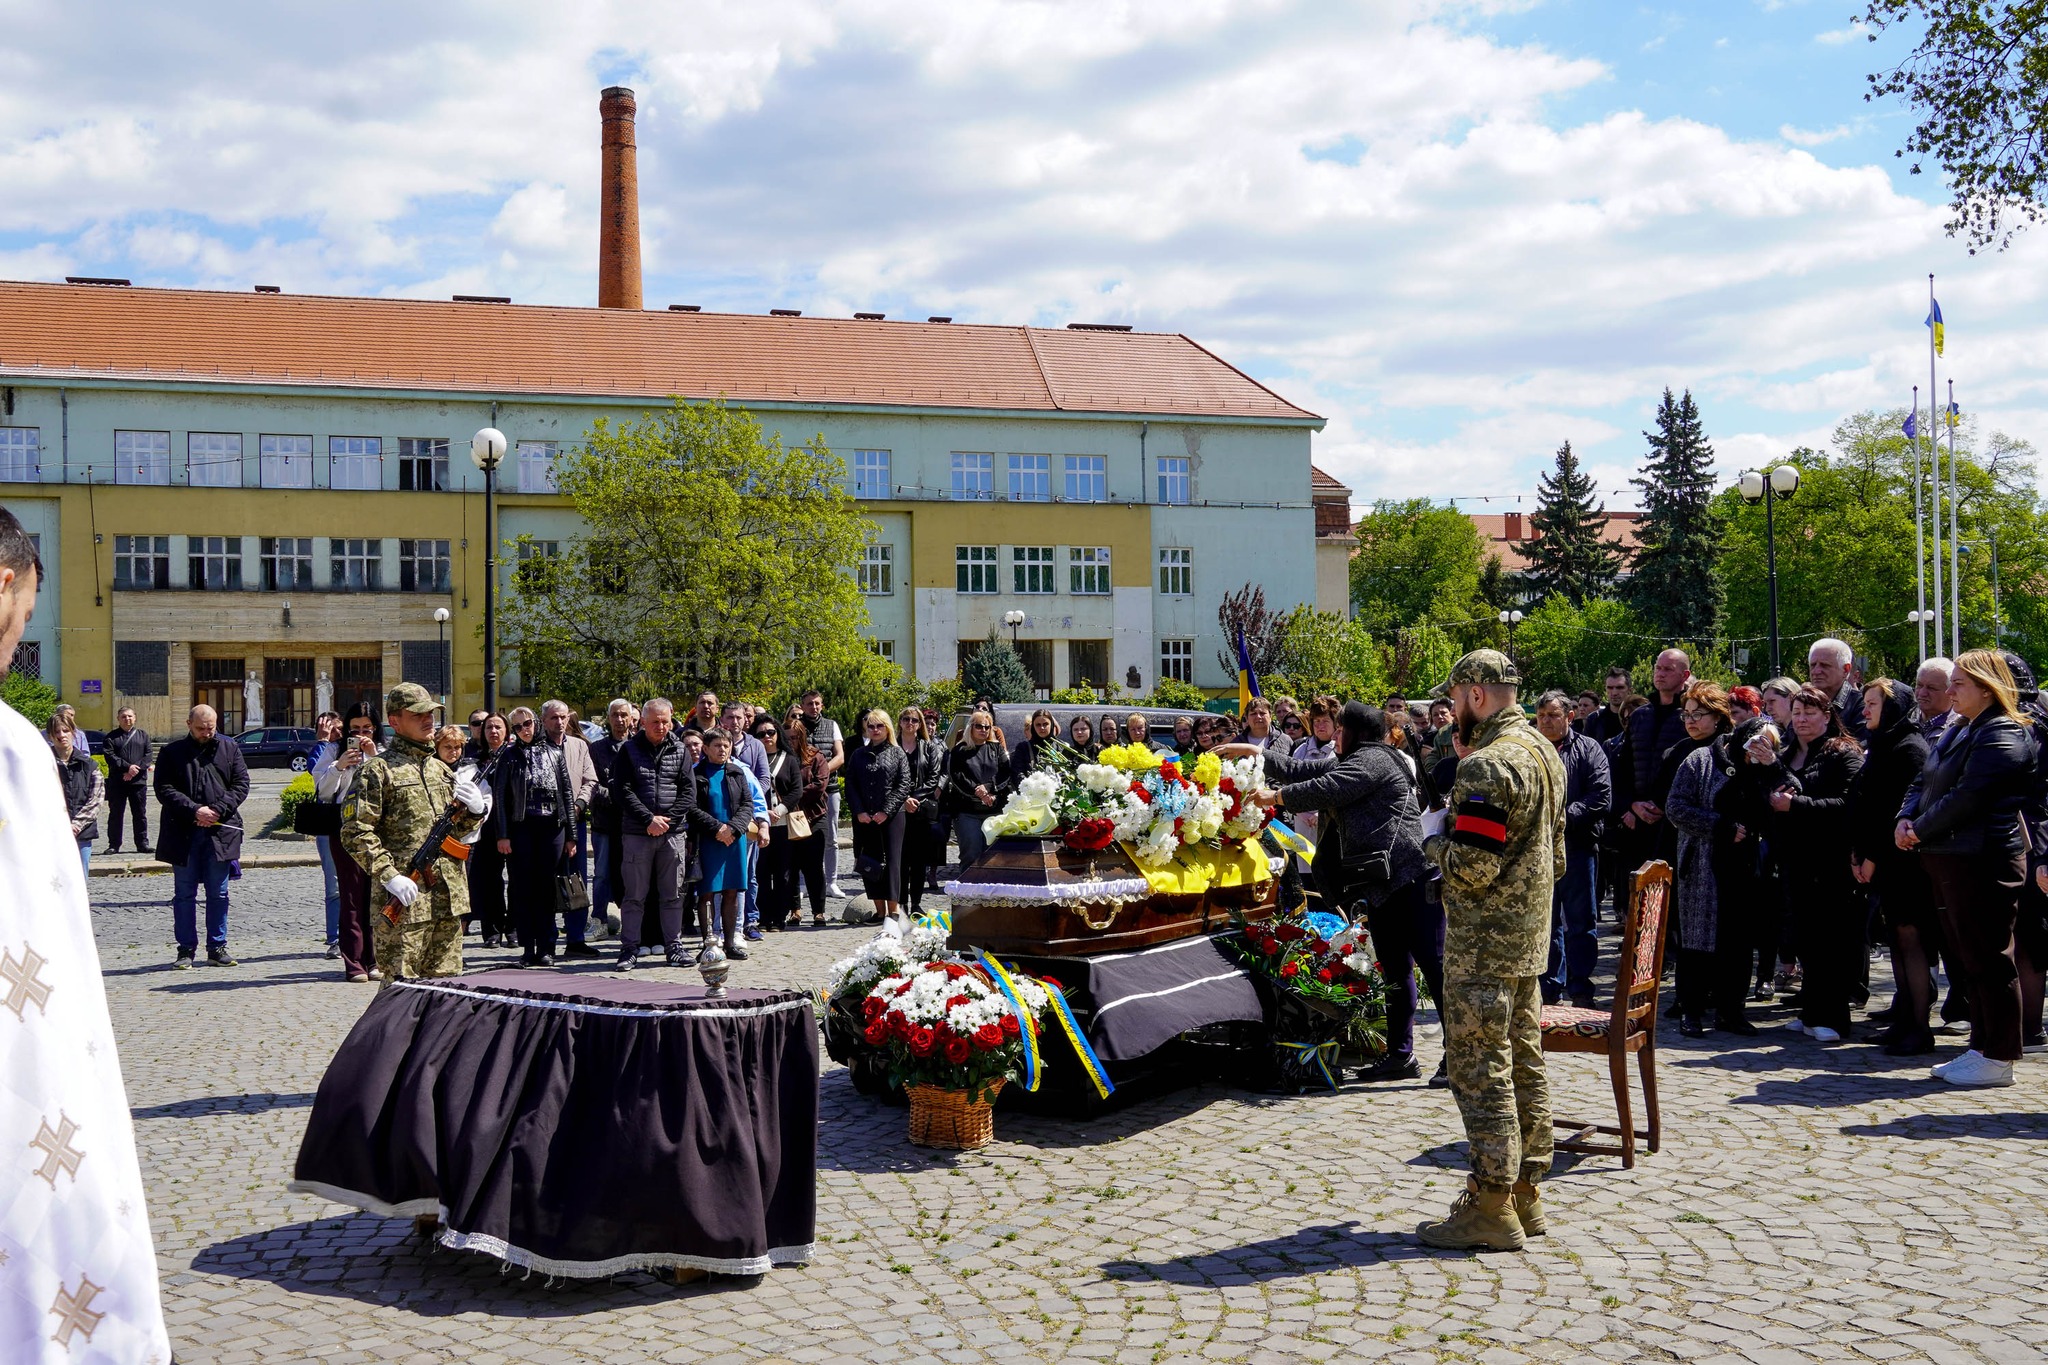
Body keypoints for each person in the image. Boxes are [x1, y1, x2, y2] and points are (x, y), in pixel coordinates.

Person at [0, 505, 173, 1365]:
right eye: (28, 612)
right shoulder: (11, 751)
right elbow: (38, 970)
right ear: (6, 584)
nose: (20, 629)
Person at [1416, 649, 1564, 1252]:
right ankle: (1527, 1194)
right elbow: (1555, 855)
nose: (1451, 711)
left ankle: (1490, 1202)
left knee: (1480, 1071)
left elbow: (1473, 866)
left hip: (1483, 945)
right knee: (1524, 1062)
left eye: (1453, 699)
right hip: (1528, 939)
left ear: (1476, 694)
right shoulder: (1543, 751)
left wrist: (1432, 843)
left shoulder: (1487, 767)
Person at [1234, 702, 1436, 1083]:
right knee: (1396, 972)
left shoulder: (1373, 760)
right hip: (1382, 885)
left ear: (1356, 732)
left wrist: (1274, 798)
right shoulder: (1358, 757)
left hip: (1409, 881)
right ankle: (1400, 1057)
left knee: (1435, 971)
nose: (1334, 736)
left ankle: (1456, 1058)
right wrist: (1255, 752)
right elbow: (1305, 769)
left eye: (1340, 729)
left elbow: (1327, 788)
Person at [1899, 650, 2037, 1087]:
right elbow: (1924, 779)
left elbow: (1968, 796)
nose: (1951, 690)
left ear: (1986, 688)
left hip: (1983, 859)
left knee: (1990, 959)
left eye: (1959, 682)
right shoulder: (1963, 728)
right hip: (1952, 857)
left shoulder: (2003, 733)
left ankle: (1998, 1056)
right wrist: (1906, 817)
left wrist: (1918, 828)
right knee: (1969, 959)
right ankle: (1980, 1047)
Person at [339, 683, 488, 984]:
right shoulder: (377, 771)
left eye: (431, 713)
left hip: (447, 899)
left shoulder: (441, 770)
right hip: (404, 903)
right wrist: (388, 875)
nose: (428, 720)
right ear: (394, 722)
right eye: (418, 714)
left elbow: (457, 832)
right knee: (401, 995)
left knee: (448, 993)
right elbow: (355, 831)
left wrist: (474, 812)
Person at [1763, 688, 1865, 1043]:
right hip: (1795, 857)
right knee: (1805, 937)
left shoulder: (1842, 752)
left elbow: (1846, 805)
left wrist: (1797, 806)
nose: (1802, 718)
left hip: (1832, 858)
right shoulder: (1788, 752)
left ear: (1827, 715)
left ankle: (1833, 1017)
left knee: (1830, 940)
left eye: (1810, 711)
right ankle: (1810, 1010)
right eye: (1797, 711)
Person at [1852, 677, 1940, 1055]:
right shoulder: (1885, 743)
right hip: (1885, 859)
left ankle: (1919, 1027)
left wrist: (1871, 855)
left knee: (1912, 941)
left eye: (1872, 703)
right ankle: (1903, 1020)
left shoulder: (1908, 748)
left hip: (1905, 863)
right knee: (1899, 944)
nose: (1864, 710)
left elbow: (1896, 809)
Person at [1662, 682, 1753, 1037]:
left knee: (1737, 941)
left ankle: (1732, 1011)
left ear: (1720, 718)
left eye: (1697, 714)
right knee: (1697, 940)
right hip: (1701, 864)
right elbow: (1675, 808)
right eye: (1686, 714)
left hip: (1742, 864)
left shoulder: (1746, 758)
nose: (1690, 720)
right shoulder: (1696, 760)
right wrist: (1719, 826)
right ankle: (1692, 1010)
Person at [155, 703, 249, 969]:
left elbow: (241, 784)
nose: (206, 733)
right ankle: (185, 950)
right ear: (188, 724)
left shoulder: (230, 748)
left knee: (219, 893)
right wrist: (195, 810)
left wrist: (217, 810)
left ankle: (217, 947)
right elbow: (163, 789)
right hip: (183, 833)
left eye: (211, 728)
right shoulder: (171, 752)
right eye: (200, 728)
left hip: (221, 832)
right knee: (184, 894)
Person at [1533, 691, 1610, 1010]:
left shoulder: (1589, 749)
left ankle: (1581, 986)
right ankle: (1549, 986)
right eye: (1541, 716)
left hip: (1577, 847)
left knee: (1581, 921)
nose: (1546, 722)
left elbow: (1601, 797)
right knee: (1544, 922)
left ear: (1570, 716)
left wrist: (1563, 816)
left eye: (1552, 715)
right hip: (1537, 851)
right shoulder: (1530, 750)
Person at [612, 698, 697, 968]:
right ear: (643, 723)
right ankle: (629, 949)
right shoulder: (629, 750)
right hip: (638, 832)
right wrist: (648, 818)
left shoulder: (681, 750)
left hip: (672, 834)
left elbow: (688, 791)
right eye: (655, 722)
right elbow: (622, 791)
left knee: (672, 894)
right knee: (634, 895)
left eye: (665, 721)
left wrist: (667, 820)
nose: (661, 726)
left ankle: (674, 947)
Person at [492, 706, 576, 968]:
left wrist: (572, 836)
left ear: (536, 723)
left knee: (548, 889)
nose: (523, 730)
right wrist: (502, 834)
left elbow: (567, 794)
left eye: (526, 724)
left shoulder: (554, 752)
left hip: (553, 827)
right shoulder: (508, 756)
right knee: (522, 889)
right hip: (521, 828)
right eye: (516, 727)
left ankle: (547, 948)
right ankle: (528, 948)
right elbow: (500, 798)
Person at [316, 704, 383, 981]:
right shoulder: (334, 752)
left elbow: (391, 788)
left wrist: (374, 757)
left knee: (377, 895)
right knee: (351, 895)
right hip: (344, 828)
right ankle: (354, 962)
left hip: (378, 830)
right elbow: (323, 791)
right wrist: (340, 766)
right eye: (354, 729)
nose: (360, 734)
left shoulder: (384, 754)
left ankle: (375, 959)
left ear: (376, 729)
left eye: (366, 729)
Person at [691, 727, 758, 960]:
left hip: (734, 840)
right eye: (718, 745)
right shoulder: (696, 774)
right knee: (707, 893)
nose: (723, 749)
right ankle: (708, 943)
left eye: (726, 745)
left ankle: (729, 943)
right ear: (706, 749)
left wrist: (733, 828)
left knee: (731, 892)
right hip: (709, 840)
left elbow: (747, 804)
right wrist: (717, 828)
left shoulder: (736, 772)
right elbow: (691, 808)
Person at [542, 700, 601, 958]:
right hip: (546, 826)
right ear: (543, 721)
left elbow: (591, 780)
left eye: (563, 717)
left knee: (577, 881)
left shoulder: (579, 746)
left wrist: (578, 805)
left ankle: (575, 938)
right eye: (554, 718)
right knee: (548, 882)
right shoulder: (536, 747)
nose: (560, 722)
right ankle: (547, 940)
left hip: (575, 821)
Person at [848, 709, 911, 920]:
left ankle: (893, 910)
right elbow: (851, 786)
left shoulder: (897, 752)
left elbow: (903, 784)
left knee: (893, 862)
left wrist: (886, 810)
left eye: (879, 726)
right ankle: (879, 910)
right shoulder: (858, 755)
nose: (875, 730)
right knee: (870, 861)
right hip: (865, 817)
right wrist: (859, 812)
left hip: (892, 817)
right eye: (871, 726)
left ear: (887, 728)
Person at [587, 698, 637, 939]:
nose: (619, 720)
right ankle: (599, 920)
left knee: (631, 874)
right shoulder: (596, 749)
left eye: (623, 715)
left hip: (632, 824)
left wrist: (629, 799)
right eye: (615, 715)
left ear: (631, 718)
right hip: (604, 823)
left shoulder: (638, 746)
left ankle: (632, 921)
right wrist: (621, 797)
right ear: (608, 718)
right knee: (602, 874)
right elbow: (593, 785)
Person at [754, 715, 804, 931]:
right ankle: (763, 916)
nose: (767, 737)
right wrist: (762, 812)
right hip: (758, 824)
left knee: (783, 873)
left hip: (783, 823)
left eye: (770, 732)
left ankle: (779, 916)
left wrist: (779, 810)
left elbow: (797, 790)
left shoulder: (789, 759)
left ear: (778, 734)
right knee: (761, 873)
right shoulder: (753, 760)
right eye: (761, 734)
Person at [945, 709, 1013, 867]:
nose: (983, 730)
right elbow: (957, 777)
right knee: (971, 853)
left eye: (987, 727)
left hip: (993, 809)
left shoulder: (996, 749)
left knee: (992, 856)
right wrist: (978, 791)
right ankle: (967, 889)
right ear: (971, 727)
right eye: (979, 726)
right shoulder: (959, 750)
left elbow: (1005, 772)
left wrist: (989, 788)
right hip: (967, 811)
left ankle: (990, 890)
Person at [798, 690, 849, 899]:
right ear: (802, 706)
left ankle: (832, 882)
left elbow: (840, 756)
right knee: (800, 836)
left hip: (830, 789)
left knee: (831, 838)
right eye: (809, 703)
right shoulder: (797, 725)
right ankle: (802, 884)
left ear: (822, 705)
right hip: (803, 792)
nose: (814, 707)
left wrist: (821, 773)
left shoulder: (832, 725)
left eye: (817, 703)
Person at [899, 707, 948, 917]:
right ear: (899, 722)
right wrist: (903, 799)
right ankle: (900, 903)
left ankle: (916, 904)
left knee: (918, 861)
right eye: (906, 719)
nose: (910, 723)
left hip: (921, 809)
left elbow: (933, 777)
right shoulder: (893, 747)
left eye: (914, 720)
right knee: (900, 860)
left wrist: (915, 798)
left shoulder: (928, 747)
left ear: (920, 725)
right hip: (898, 809)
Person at [785, 718, 832, 926]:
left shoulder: (815, 756)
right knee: (791, 866)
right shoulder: (782, 757)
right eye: (787, 739)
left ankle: (818, 911)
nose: (791, 742)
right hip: (788, 816)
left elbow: (819, 785)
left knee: (813, 867)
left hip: (813, 816)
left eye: (795, 738)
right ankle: (794, 910)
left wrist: (793, 796)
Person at [306, 711, 344, 957]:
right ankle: (335, 938)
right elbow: (315, 773)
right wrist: (322, 742)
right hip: (329, 824)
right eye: (331, 729)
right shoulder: (323, 751)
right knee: (334, 885)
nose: (336, 734)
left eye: (339, 728)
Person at [49, 714, 103, 877]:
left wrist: (75, 826)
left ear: (73, 732)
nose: (61, 735)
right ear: (51, 736)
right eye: (56, 732)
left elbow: (96, 800)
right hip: (50, 834)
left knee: (80, 882)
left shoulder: (90, 765)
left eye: (65, 730)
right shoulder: (41, 764)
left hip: (81, 835)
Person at [103, 705, 152, 853]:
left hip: (138, 782)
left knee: (140, 814)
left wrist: (134, 770)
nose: (127, 719)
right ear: (118, 719)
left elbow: (148, 756)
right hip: (118, 782)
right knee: (116, 814)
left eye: (130, 716)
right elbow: (110, 757)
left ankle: (142, 844)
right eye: (123, 716)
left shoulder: (143, 735)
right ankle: (114, 845)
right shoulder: (111, 737)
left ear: (135, 718)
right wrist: (126, 768)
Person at [1807, 638, 1868, 742]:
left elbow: (1860, 748)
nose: (1816, 671)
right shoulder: (1804, 702)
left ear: (1846, 669)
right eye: (1813, 665)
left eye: (1825, 665)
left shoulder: (1862, 705)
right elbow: (1787, 744)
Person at [1915, 656, 1956, 743]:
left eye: (1931, 688)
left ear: (1950, 692)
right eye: (1919, 685)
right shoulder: (1907, 722)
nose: (1922, 693)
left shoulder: (1959, 730)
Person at [1011, 708, 1062, 776]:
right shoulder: (1023, 748)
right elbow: (1017, 774)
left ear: (1051, 725)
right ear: (1033, 727)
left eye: (1045, 724)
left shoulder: (1061, 747)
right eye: (1038, 725)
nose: (1042, 728)